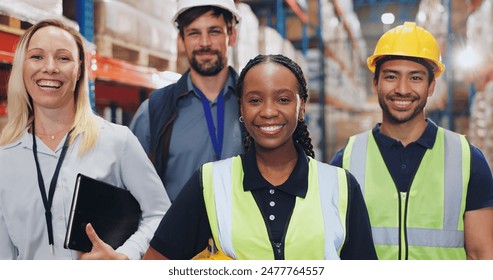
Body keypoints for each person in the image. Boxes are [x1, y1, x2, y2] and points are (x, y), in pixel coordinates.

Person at [143, 54, 377, 260]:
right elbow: (155, 262)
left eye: (283, 99)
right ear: (242, 109)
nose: (268, 112)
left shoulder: (341, 186)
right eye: (255, 100)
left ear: (302, 106)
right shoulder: (211, 182)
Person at [0, 19, 171, 260]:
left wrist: (124, 257)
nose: (50, 67)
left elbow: (160, 213)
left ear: (79, 69)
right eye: (37, 57)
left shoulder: (116, 142)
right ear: (22, 67)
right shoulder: (5, 159)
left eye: (63, 58)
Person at [330, 22, 493, 260]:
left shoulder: (468, 160)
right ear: (375, 84)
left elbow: (482, 256)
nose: (402, 89)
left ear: (431, 87)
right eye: (391, 76)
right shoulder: (345, 161)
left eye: (415, 78)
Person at [129, 0, 244, 201]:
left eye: (214, 31)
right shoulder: (154, 111)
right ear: (181, 41)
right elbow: (131, 187)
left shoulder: (253, 103)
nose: (205, 43)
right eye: (194, 33)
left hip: (244, 232)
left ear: (232, 35)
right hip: (178, 232)